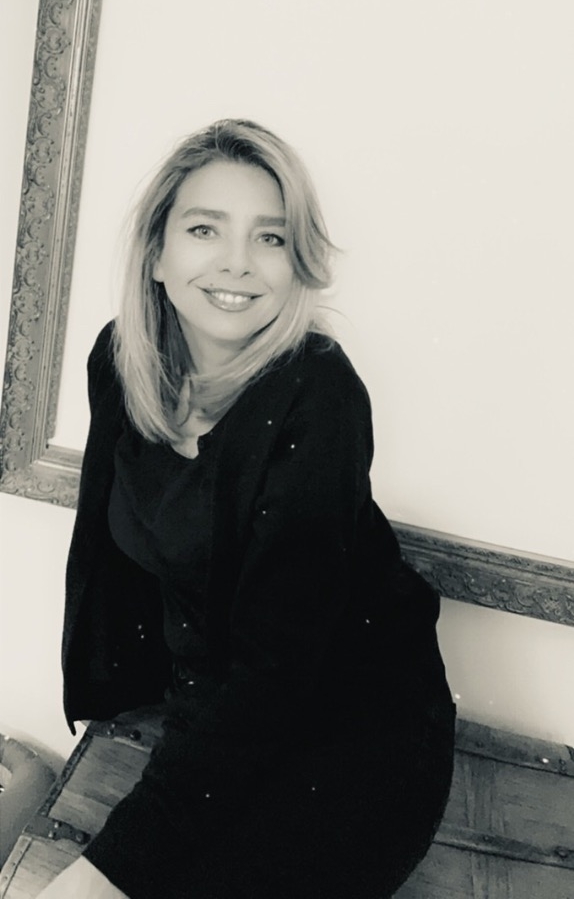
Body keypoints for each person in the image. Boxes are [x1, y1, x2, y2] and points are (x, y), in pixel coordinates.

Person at [39, 119, 455, 899]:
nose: (237, 262)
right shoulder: (122, 360)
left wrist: (106, 871)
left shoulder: (320, 394)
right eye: (205, 229)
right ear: (157, 253)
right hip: (220, 704)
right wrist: (110, 696)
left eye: (270, 238)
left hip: (356, 724)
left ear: (297, 262)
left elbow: (278, 671)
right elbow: (106, 543)